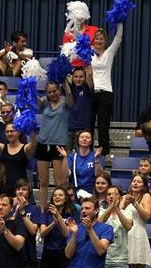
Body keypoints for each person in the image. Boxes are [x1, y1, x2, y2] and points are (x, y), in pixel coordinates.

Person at [36, 81, 72, 210]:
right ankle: (42, 209)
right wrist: (29, 85)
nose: (52, 94)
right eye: (49, 92)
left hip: (58, 145)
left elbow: (69, 94)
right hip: (42, 143)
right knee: (43, 182)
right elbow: (35, 100)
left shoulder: (66, 104)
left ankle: (60, 210)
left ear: (59, 90)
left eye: (54, 91)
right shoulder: (45, 103)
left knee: (59, 183)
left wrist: (64, 81)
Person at [91, 23, 124, 154]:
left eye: (101, 39)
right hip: (91, 92)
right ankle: (87, 154)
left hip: (105, 93)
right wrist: (74, 21)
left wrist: (120, 22)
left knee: (103, 126)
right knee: (88, 125)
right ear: (93, 40)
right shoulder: (89, 52)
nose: (99, 41)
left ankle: (103, 155)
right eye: (97, 39)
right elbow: (77, 37)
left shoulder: (109, 52)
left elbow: (118, 38)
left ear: (105, 41)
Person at [99, 185, 133, 268]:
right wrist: (110, 208)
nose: (111, 196)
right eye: (109, 194)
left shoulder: (127, 212)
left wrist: (117, 209)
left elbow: (128, 226)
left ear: (120, 197)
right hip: (102, 261)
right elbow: (98, 223)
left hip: (120, 261)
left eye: (115, 194)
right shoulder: (100, 211)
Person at [0, 124, 37, 197]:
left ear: (19, 132)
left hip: (20, 188)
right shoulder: (2, 147)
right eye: (7, 132)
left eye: (12, 131)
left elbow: (34, 144)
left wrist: (31, 130)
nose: (9, 134)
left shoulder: (25, 148)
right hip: (4, 187)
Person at [39, 186, 73, 268]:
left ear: (66, 198)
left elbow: (67, 234)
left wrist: (58, 217)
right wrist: (54, 223)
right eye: (55, 195)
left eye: (60, 195)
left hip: (64, 253)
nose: (57, 197)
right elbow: (42, 233)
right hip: (48, 253)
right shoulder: (47, 213)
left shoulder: (70, 214)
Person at [121, 174, 151, 268]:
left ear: (144, 186)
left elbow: (147, 216)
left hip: (138, 234)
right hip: (124, 234)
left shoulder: (146, 196)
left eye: (139, 182)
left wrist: (134, 203)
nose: (135, 183)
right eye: (134, 181)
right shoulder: (124, 197)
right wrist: (124, 204)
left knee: (137, 267)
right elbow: (119, 213)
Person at [58, 131, 104, 195]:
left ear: (91, 141)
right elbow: (65, 176)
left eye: (87, 137)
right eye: (82, 137)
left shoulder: (97, 156)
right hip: (76, 192)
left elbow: (99, 175)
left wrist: (96, 159)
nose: (84, 139)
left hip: (92, 193)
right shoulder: (72, 157)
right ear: (78, 141)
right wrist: (65, 158)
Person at [66, 67, 94, 151]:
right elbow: (65, 84)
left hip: (83, 128)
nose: (78, 79)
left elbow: (89, 74)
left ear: (85, 78)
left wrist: (87, 64)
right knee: (67, 154)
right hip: (70, 127)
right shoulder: (70, 89)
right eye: (76, 77)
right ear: (72, 78)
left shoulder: (87, 89)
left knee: (82, 154)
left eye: (81, 77)